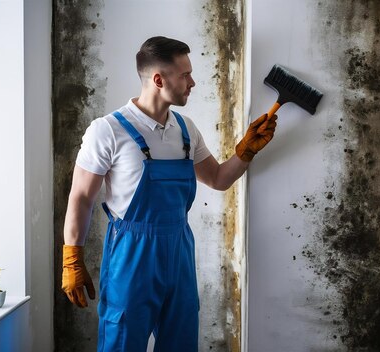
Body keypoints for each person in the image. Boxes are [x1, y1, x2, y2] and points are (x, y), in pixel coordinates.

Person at [60, 36, 277, 351]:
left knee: (180, 342)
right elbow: (80, 197)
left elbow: (217, 178)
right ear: (159, 80)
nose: (193, 82)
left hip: (179, 251)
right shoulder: (107, 131)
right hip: (131, 256)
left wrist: (246, 151)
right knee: (123, 341)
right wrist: (72, 258)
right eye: (185, 74)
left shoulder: (186, 129)